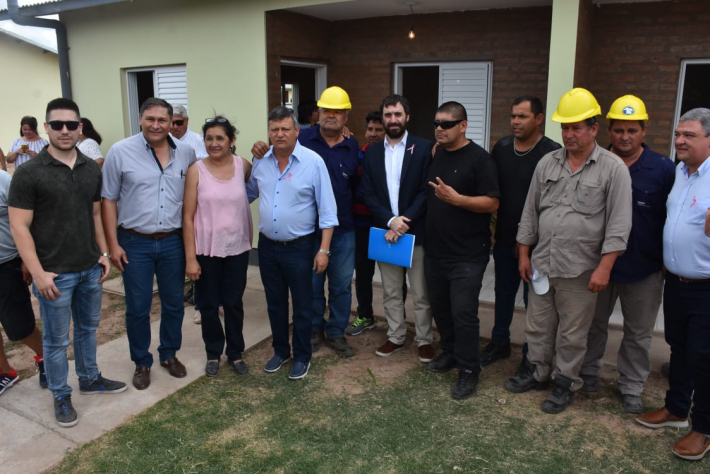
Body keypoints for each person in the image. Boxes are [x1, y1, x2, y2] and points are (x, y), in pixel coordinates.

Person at [505, 88, 632, 415]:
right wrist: (524, 254)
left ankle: (565, 382)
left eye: (576, 127)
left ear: (594, 128)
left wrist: (604, 268)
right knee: (538, 325)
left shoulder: (613, 168)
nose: (569, 134)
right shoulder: (547, 162)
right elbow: (530, 212)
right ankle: (537, 371)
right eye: (565, 127)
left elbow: (619, 224)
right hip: (542, 264)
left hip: (581, 270)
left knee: (573, 333)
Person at [8, 98, 126, 428]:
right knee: (56, 341)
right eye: (57, 124)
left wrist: (103, 254)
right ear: (46, 127)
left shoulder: (90, 168)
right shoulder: (29, 173)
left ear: (79, 128)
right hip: (54, 274)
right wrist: (37, 273)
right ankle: (61, 394)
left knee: (88, 330)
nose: (64, 130)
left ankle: (89, 378)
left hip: (89, 268)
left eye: (71, 125)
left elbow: (95, 214)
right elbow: (19, 227)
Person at [579, 95, 675, 414]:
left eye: (632, 130)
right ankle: (587, 372)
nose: (625, 137)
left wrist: (666, 262)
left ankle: (632, 385)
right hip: (596, 265)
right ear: (609, 129)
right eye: (619, 130)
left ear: (644, 130)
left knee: (638, 333)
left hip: (644, 268)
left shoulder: (663, 168)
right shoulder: (594, 162)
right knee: (592, 324)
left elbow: (672, 218)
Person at [252, 86, 359, 358]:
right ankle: (313, 329)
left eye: (337, 112)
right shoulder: (304, 137)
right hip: (309, 231)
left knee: (341, 285)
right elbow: (273, 155)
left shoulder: (353, 145)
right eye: (326, 110)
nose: (331, 116)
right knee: (312, 285)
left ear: (346, 117)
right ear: (317, 114)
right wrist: (259, 149)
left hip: (343, 228)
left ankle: (336, 332)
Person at [102, 98, 197, 390]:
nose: (156, 125)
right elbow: (108, 200)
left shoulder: (186, 153)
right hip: (134, 242)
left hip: (172, 241)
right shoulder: (120, 151)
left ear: (172, 123)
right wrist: (112, 244)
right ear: (141, 119)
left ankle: (168, 354)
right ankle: (141, 362)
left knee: (174, 304)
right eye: (150, 119)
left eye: (162, 120)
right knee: (138, 307)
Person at [635, 108, 710, 462]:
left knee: (703, 355)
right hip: (677, 282)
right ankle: (677, 409)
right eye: (678, 134)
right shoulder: (679, 172)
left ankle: (704, 428)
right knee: (678, 347)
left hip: (707, 285)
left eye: (689, 135)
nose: (679, 140)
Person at [246, 106, 337, 380]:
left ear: (297, 131)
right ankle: (280, 351)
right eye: (274, 129)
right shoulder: (261, 162)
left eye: (285, 129)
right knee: (275, 303)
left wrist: (323, 250)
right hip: (267, 247)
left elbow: (328, 211)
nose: (279, 134)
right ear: (268, 132)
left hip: (300, 247)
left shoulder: (313, 162)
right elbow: (247, 194)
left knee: (302, 304)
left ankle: (302, 356)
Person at [424, 101, 500, 399]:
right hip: (436, 251)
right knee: (441, 309)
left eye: (446, 124)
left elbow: (492, 202)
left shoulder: (480, 160)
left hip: (467, 254)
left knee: (463, 313)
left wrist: (458, 200)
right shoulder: (437, 153)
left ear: (463, 125)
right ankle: (451, 352)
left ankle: (469, 370)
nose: (439, 129)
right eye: (436, 124)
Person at [484, 96, 561, 366]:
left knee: (535, 302)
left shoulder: (552, 153)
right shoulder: (502, 147)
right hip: (505, 238)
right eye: (513, 116)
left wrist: (529, 240)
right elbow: (491, 189)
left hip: (538, 245)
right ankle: (499, 342)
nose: (515, 121)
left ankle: (532, 353)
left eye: (522, 116)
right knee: (503, 294)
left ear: (539, 119)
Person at [362, 94, 434, 362]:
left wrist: (403, 221)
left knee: (421, 292)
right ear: (383, 118)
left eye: (398, 114)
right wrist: (390, 221)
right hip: (386, 233)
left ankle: (425, 339)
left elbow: (426, 191)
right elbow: (368, 193)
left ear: (407, 117)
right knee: (391, 291)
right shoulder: (371, 152)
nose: (393, 119)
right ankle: (395, 336)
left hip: (415, 234)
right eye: (388, 115)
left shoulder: (424, 148)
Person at [183, 116, 253, 377]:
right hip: (206, 249)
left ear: (231, 140)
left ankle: (235, 352)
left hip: (237, 248)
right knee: (209, 304)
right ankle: (213, 352)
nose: (214, 143)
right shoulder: (196, 170)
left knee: (233, 303)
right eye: (209, 138)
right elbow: (187, 216)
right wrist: (191, 258)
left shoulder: (242, 166)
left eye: (220, 138)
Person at [0, 169, 46, 396]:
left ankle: (46, 358)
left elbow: (30, 219)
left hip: (6, 264)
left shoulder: (4, 181)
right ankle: (5, 372)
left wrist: (27, 259)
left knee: (20, 326)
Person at [347, 110, 386, 335]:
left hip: (386, 227)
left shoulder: (392, 157)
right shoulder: (357, 155)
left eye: (379, 130)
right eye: (370, 129)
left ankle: (396, 320)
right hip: (360, 226)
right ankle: (365, 315)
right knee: (362, 275)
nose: (373, 134)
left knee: (393, 277)